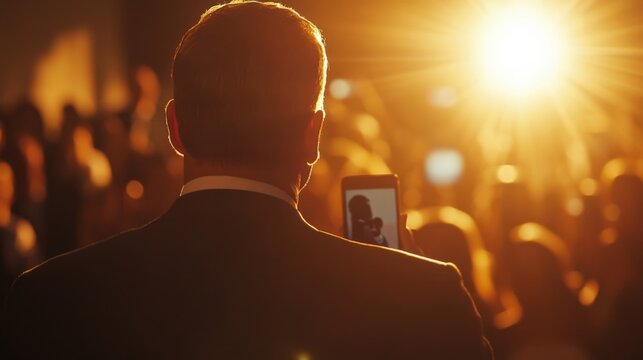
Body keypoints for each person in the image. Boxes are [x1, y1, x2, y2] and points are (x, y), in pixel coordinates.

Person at [3, 2, 492, 358]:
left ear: (174, 127)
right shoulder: (422, 295)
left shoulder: (49, 297)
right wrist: (400, 290)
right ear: (313, 136)